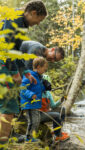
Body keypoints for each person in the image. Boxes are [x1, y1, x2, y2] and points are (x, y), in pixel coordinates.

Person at [0, 0, 47, 145]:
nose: (38, 24)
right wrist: (14, 72)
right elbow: (6, 49)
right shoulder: (15, 20)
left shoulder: (20, 21)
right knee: (9, 106)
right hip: (2, 64)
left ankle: (7, 137)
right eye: (39, 20)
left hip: (5, 62)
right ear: (33, 13)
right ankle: (3, 143)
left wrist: (26, 72)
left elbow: (16, 52)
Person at [20, 57, 48, 142]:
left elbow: (37, 89)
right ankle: (28, 138)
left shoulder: (39, 77)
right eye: (44, 68)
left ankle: (31, 137)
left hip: (35, 104)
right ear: (38, 67)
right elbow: (22, 88)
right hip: (29, 103)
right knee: (33, 121)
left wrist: (45, 87)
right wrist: (31, 94)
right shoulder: (30, 76)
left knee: (36, 120)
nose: (45, 70)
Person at [39, 75, 70, 142]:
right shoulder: (36, 92)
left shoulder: (48, 93)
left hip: (46, 113)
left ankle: (58, 131)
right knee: (57, 115)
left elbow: (53, 106)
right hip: (39, 115)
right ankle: (57, 136)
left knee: (63, 110)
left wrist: (61, 100)